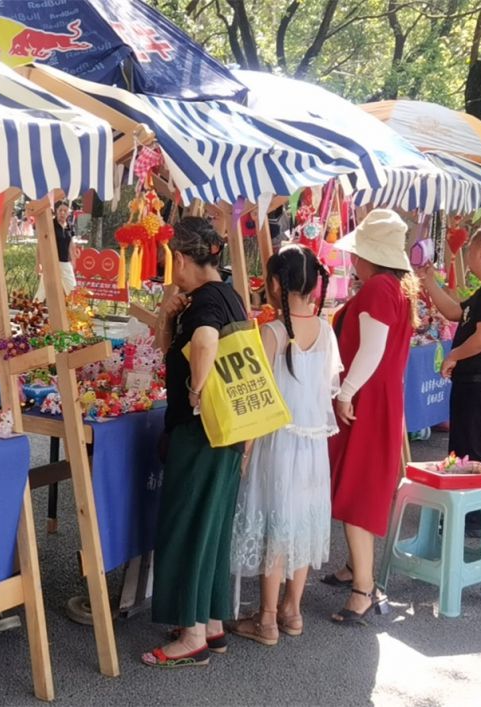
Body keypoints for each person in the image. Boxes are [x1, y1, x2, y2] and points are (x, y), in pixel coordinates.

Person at [142, 217, 247, 668]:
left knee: (186, 526)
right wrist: (167, 315)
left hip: (200, 430)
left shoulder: (205, 302)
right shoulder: (228, 294)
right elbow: (173, 347)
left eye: (173, 263)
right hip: (228, 430)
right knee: (211, 527)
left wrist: (195, 390)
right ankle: (210, 621)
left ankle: (192, 636)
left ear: (182, 259)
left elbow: (203, 342)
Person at [230, 245, 341, 646]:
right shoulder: (326, 330)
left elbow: (258, 398)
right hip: (312, 447)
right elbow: (328, 388)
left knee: (274, 524)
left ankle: (266, 619)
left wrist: (244, 451)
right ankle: (292, 611)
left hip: (276, 443)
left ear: (276, 284)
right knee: (301, 523)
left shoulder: (272, 332)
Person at [321, 209, 419, 624]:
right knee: (358, 484)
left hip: (366, 399)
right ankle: (354, 568)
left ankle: (363, 587)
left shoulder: (379, 288)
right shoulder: (397, 288)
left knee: (357, 490)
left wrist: (346, 393)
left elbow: (371, 349)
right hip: (380, 397)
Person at [417, 225, 481, 536]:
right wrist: (429, 281)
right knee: (472, 448)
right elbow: (454, 312)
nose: (468, 258)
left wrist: (454, 355)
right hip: (476, 384)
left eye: (470, 250)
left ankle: (470, 519)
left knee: (472, 452)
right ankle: (472, 511)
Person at [34, 201, 79, 301]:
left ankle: (76, 309)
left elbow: (71, 244)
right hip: (50, 262)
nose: (62, 213)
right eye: (60, 210)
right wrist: (38, 263)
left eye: (65, 211)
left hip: (65, 262)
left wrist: (74, 258)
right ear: (56, 211)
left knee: (72, 288)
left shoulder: (70, 226)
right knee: (42, 290)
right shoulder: (50, 224)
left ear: (69, 213)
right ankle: (33, 308)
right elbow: (40, 244)